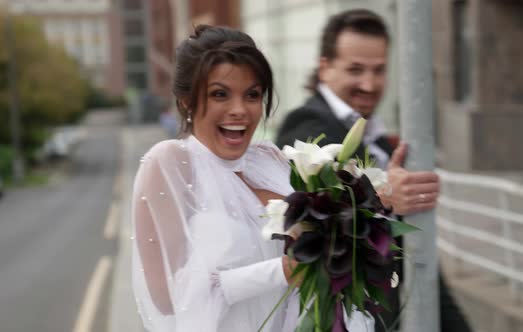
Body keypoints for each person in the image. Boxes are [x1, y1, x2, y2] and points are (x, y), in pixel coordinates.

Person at [131, 25, 373, 332]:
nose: (239, 110)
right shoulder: (170, 162)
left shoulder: (270, 159)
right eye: (219, 94)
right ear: (186, 101)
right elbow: (169, 296)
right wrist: (283, 271)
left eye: (252, 95)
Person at [276, 9, 472, 332]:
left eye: (379, 70)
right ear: (325, 68)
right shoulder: (306, 124)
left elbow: (416, 261)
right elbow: (321, 216)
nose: (369, 84)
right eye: (355, 69)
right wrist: (384, 196)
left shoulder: (377, 137)